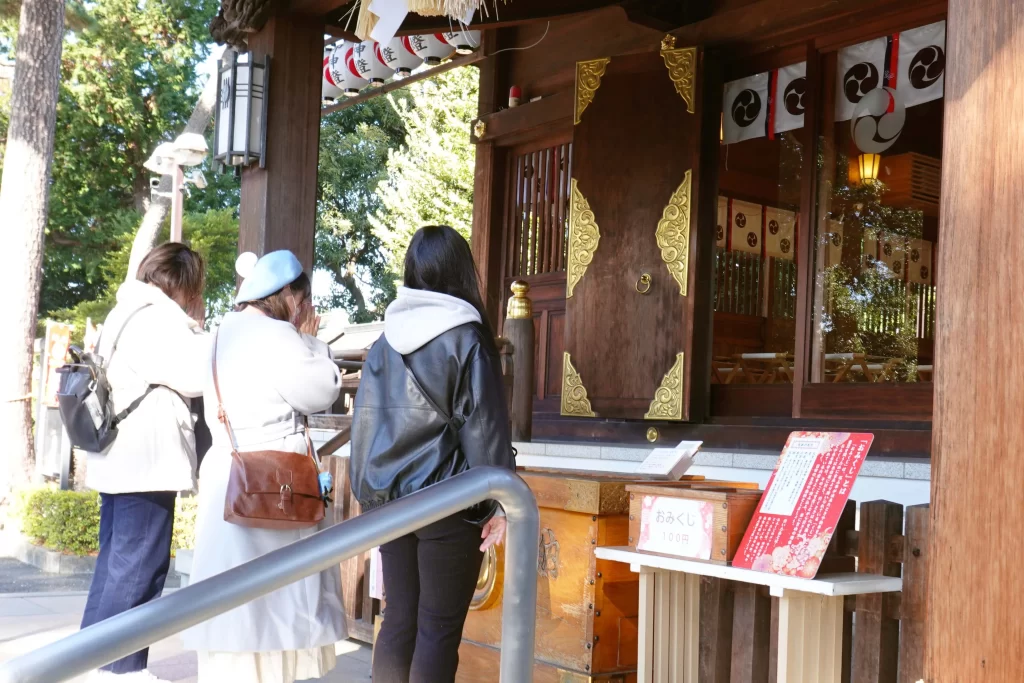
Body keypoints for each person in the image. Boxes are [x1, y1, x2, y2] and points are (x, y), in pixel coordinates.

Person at [350, 225, 516, 683]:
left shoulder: (384, 342)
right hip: (448, 502)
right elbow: (483, 427)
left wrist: (370, 498)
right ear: (462, 272)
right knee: (438, 630)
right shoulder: (466, 337)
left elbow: (365, 426)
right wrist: (501, 498)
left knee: (398, 620)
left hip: (390, 504)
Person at [182, 250, 346, 683]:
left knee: (234, 603)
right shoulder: (279, 336)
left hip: (229, 474)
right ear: (288, 294)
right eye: (302, 299)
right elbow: (321, 390)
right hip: (276, 481)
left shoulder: (219, 335)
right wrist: (312, 341)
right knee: (276, 605)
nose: (304, 309)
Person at [81, 242, 209, 680]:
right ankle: (118, 671)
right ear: (184, 283)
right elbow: (195, 376)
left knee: (115, 568)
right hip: (145, 462)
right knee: (138, 570)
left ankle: (87, 664)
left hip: (120, 460)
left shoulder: (126, 311)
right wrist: (198, 329)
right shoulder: (157, 319)